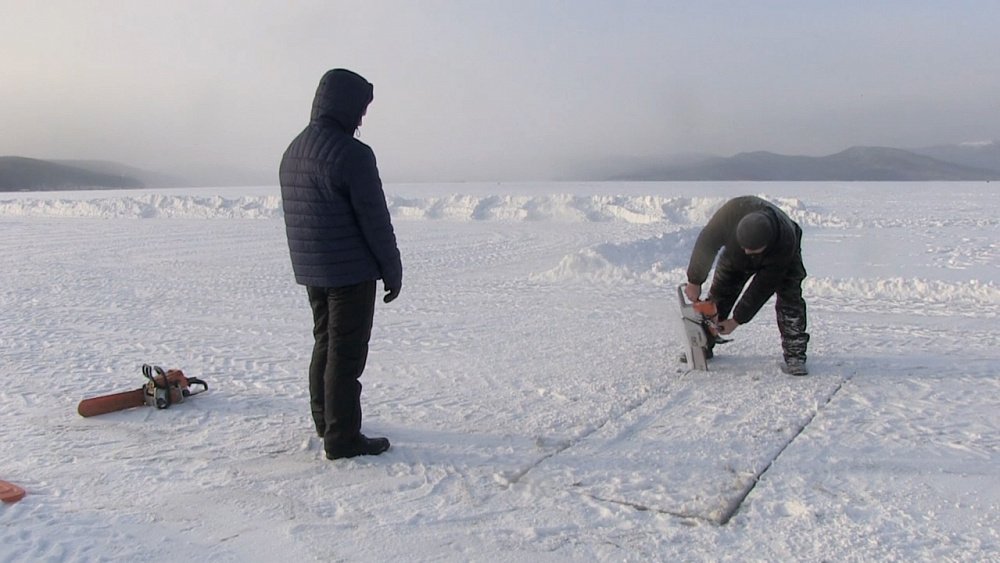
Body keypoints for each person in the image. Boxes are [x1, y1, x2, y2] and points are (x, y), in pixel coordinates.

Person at [279, 68, 403, 459]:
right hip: (350, 272)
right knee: (346, 355)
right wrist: (391, 267)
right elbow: (374, 219)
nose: (363, 118)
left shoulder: (294, 149)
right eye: (361, 108)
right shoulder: (352, 154)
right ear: (345, 105)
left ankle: (326, 420)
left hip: (315, 269)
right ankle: (342, 437)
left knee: (325, 342)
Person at [684, 195, 810, 375]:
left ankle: (795, 354)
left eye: (752, 251)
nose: (747, 253)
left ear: (765, 245)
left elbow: (762, 288)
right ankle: (703, 343)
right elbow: (707, 244)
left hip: (784, 254)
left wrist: (737, 320)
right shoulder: (729, 215)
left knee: (790, 299)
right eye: (745, 248)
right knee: (721, 292)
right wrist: (694, 280)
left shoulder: (784, 242)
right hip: (734, 254)